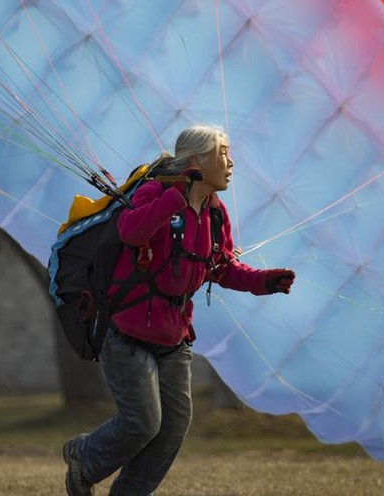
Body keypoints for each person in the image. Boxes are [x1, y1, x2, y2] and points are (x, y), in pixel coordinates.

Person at [63, 125, 296, 496]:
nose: (231, 162)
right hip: (127, 331)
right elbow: (131, 231)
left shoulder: (215, 214)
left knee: (172, 427)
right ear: (196, 161)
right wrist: (176, 197)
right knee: (143, 422)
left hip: (173, 336)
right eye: (223, 153)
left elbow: (221, 268)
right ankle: (84, 459)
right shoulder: (155, 191)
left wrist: (264, 281)